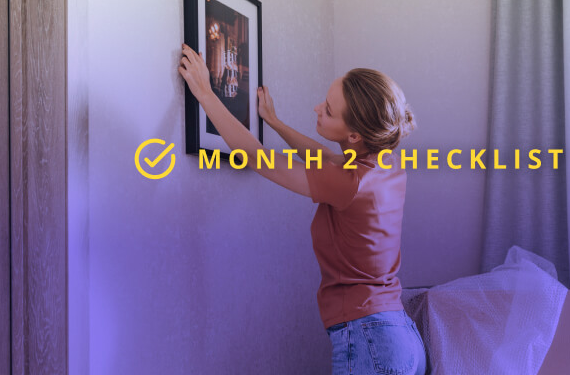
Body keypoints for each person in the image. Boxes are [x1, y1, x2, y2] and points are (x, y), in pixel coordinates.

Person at [179, 44, 425, 375]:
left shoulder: (349, 184)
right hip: (398, 335)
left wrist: (206, 94)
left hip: (371, 340)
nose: (317, 108)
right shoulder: (383, 163)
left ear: (353, 134)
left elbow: (257, 159)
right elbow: (325, 157)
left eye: (328, 109)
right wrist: (275, 123)